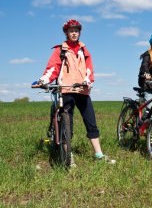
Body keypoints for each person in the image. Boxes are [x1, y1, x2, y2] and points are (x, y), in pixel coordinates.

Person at [33, 19, 115, 166]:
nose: (74, 33)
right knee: (67, 123)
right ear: (66, 33)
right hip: (66, 90)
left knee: (91, 122)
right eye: (71, 30)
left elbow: (89, 70)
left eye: (76, 30)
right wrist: (44, 80)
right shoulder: (60, 50)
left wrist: (88, 81)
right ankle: (68, 157)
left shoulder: (84, 50)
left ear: (79, 32)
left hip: (82, 90)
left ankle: (99, 154)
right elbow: (52, 68)